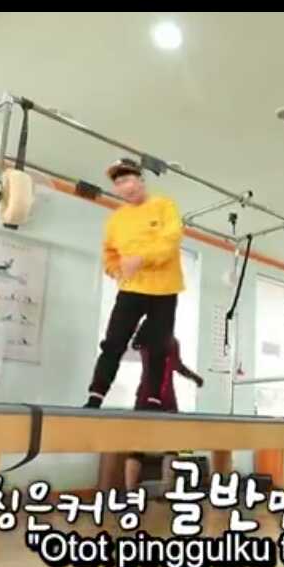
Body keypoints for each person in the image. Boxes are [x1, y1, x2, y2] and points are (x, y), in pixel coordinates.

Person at [84, 158, 184, 410]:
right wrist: (116, 270)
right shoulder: (116, 220)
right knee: (113, 343)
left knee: (158, 347)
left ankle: (153, 399)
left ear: (140, 179)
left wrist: (141, 258)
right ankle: (95, 396)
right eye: (118, 183)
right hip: (131, 290)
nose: (125, 186)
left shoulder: (164, 206)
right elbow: (109, 254)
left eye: (128, 179)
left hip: (165, 289)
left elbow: (170, 241)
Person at [124, 323, 204, 490]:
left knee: (151, 447)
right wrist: (195, 378)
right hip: (158, 397)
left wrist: (194, 377)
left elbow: (176, 365)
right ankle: (153, 491)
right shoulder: (164, 340)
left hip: (152, 397)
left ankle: (147, 491)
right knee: (159, 446)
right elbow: (176, 365)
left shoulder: (159, 340)